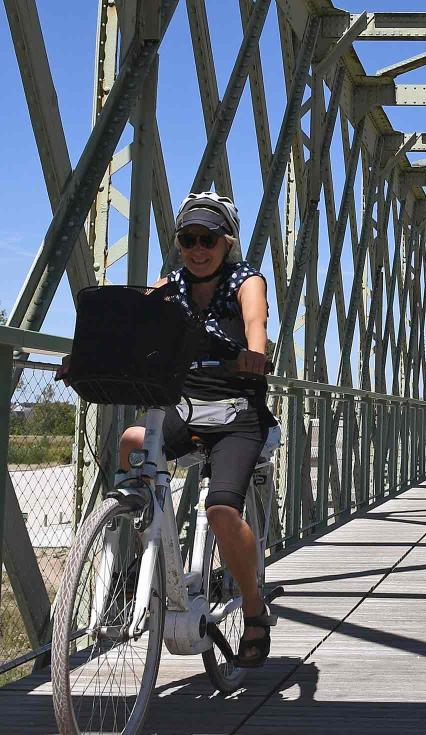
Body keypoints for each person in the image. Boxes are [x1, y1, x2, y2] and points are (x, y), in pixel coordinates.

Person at [118, 192, 278, 667]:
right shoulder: (169, 287)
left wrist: (255, 350)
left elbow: (256, 321)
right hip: (186, 410)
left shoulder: (246, 280)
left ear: (227, 241)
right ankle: (144, 541)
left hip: (237, 416)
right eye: (188, 238)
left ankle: (253, 607)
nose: (197, 248)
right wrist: (92, 354)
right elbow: (131, 329)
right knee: (131, 442)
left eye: (208, 238)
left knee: (223, 511)